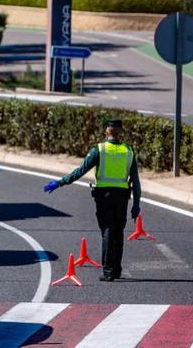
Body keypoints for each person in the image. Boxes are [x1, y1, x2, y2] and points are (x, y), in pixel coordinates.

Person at [43, 120, 142, 281]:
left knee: (108, 231)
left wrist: (60, 183)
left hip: (104, 196)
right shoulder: (128, 150)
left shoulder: (100, 149)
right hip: (123, 197)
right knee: (118, 232)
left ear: (106, 131)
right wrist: (137, 203)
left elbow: (80, 171)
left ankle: (108, 272)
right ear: (120, 132)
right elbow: (135, 180)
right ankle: (116, 269)